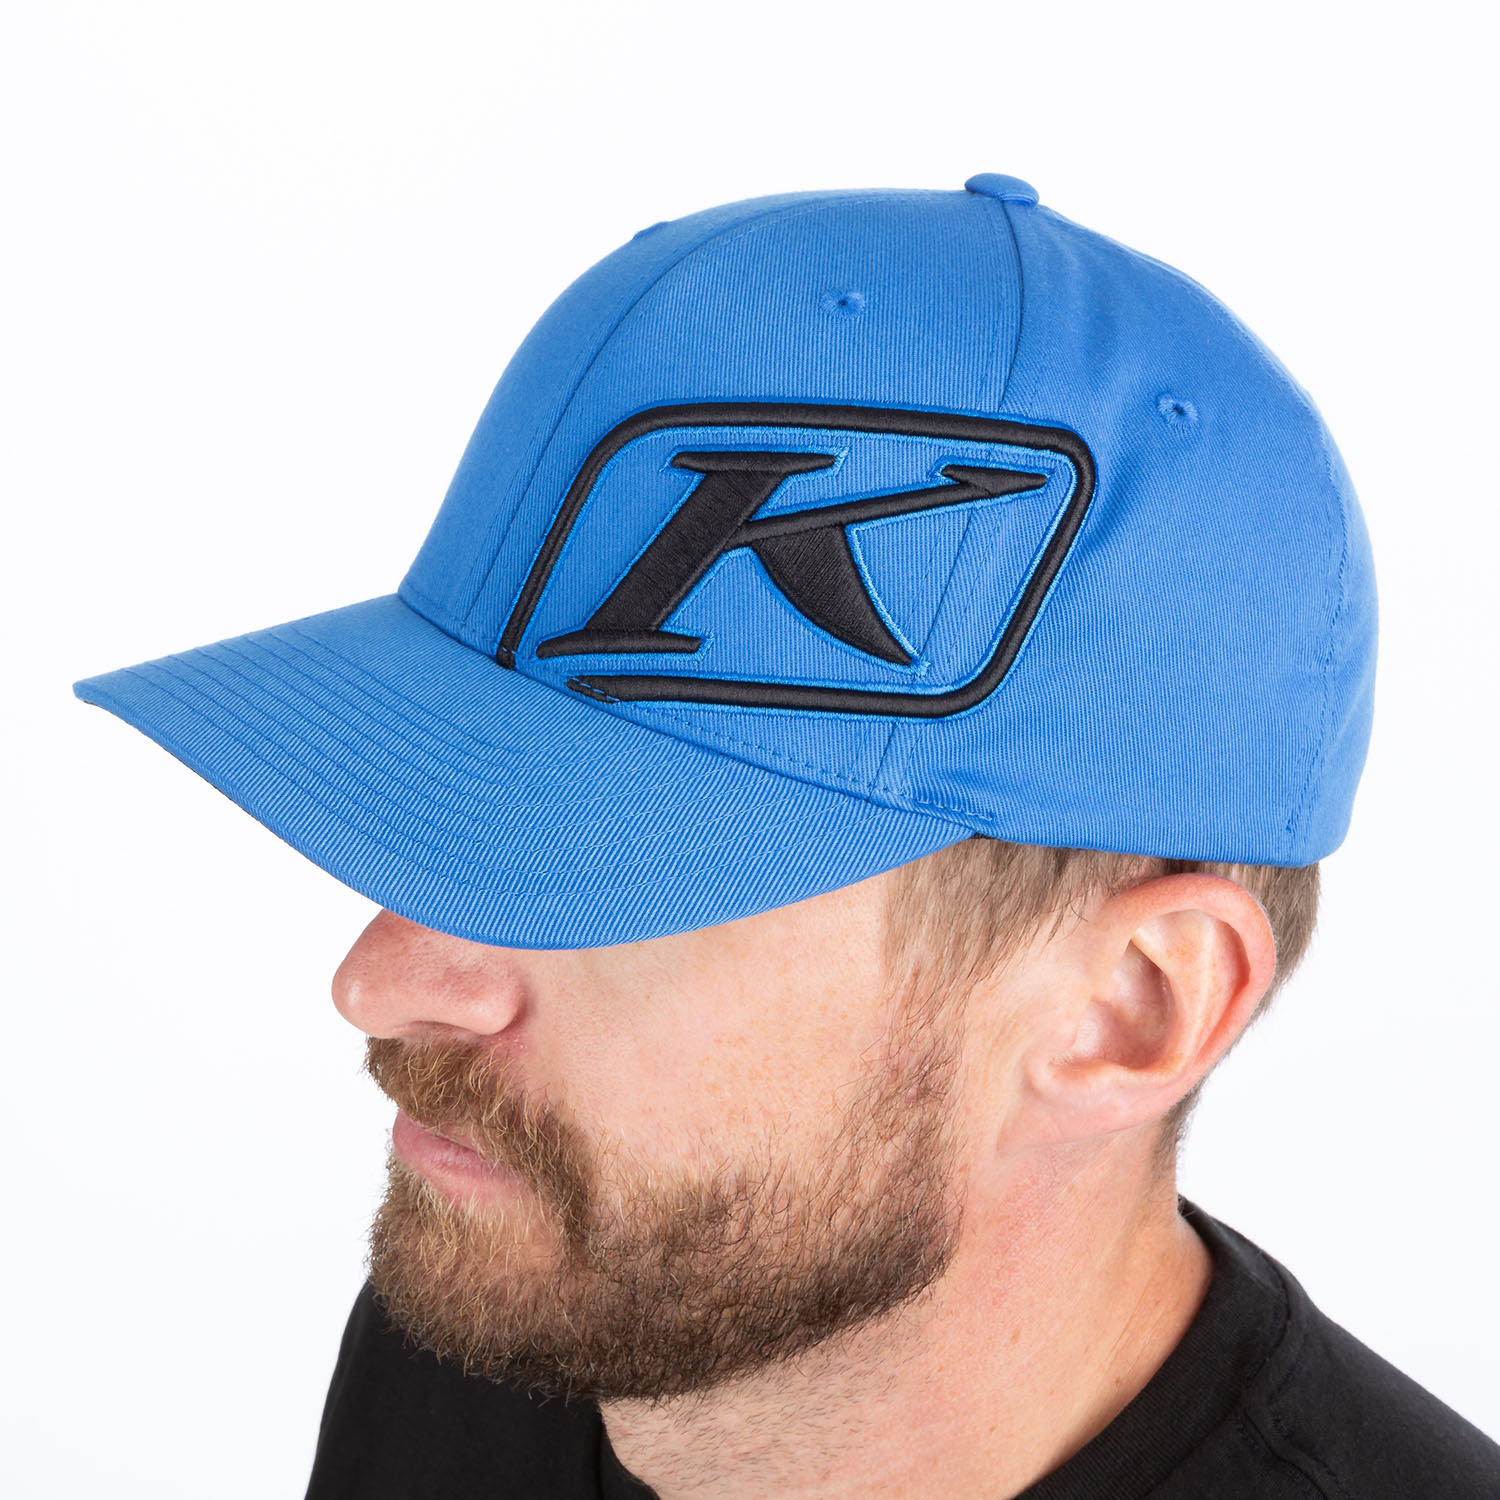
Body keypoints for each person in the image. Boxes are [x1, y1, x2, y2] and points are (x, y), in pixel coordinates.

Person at [74, 175, 1499, 1499]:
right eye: (444, 822)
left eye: (609, 878)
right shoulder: (530, 1307)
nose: (378, 982)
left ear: (1129, 1012)